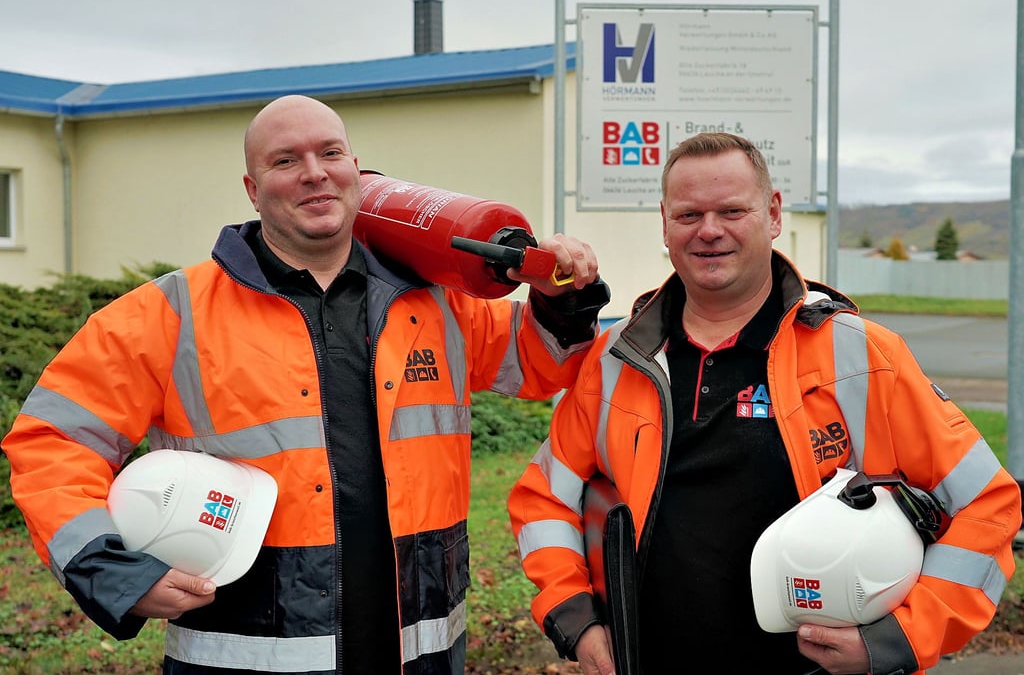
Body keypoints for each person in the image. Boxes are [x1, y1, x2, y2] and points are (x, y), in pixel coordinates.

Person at [1, 94, 610, 674]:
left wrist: (561, 303)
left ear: (356, 170)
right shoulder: (169, 314)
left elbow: (537, 363)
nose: (314, 173)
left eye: (330, 153)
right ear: (252, 189)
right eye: (285, 161)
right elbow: (54, 442)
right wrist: (114, 574)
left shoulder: (436, 301)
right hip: (246, 659)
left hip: (419, 650)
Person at [507, 132, 1022, 675]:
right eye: (689, 215)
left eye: (732, 210)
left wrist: (897, 639)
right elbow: (545, 501)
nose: (710, 231)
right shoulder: (617, 358)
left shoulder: (861, 356)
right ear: (664, 222)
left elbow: (988, 506)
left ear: (773, 214)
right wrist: (577, 619)